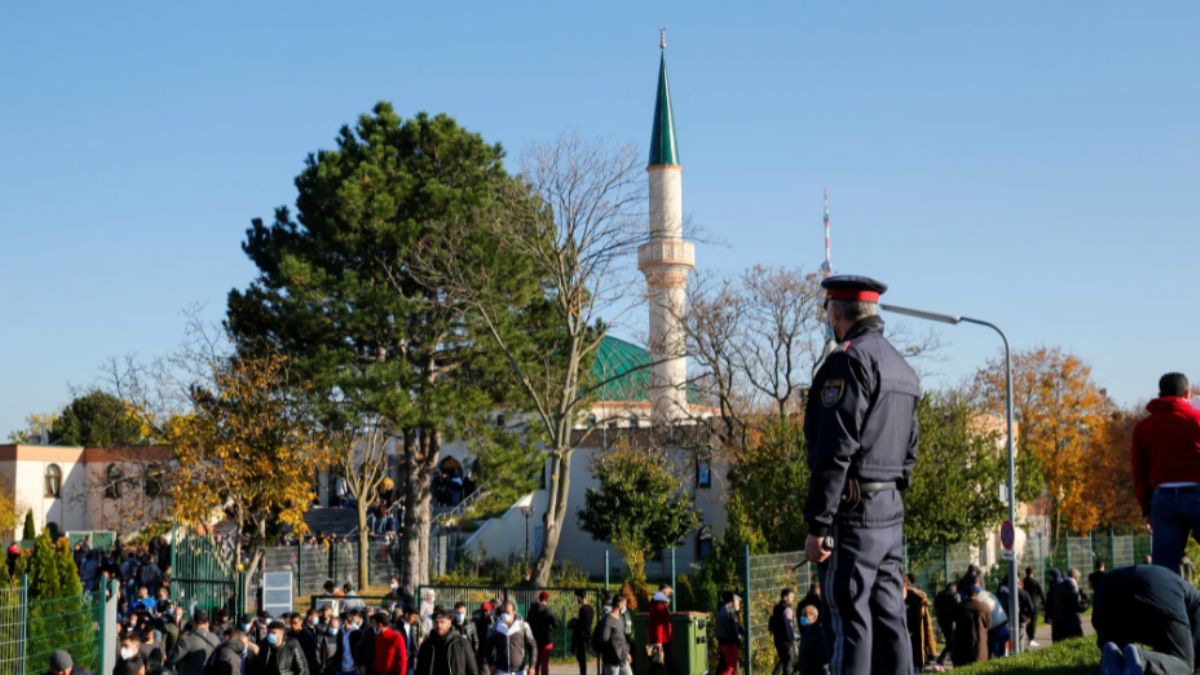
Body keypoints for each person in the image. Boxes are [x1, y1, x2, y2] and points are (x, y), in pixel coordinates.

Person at [802, 275, 920, 675]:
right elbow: (911, 450)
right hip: (889, 510)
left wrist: (819, 522)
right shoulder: (902, 368)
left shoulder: (848, 362)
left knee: (849, 618)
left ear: (836, 311)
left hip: (853, 516)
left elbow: (834, 449)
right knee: (890, 619)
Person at [1132, 372, 1200, 574]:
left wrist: (1146, 509)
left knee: (1164, 568)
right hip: (1196, 493)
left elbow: (1140, 472)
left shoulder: (1144, 428)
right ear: (1187, 393)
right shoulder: (1195, 419)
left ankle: (1165, 604)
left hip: (1163, 498)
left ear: (1159, 394)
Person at [1094, 564, 1200, 675]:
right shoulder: (1196, 603)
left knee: (1116, 650)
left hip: (1106, 591)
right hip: (1158, 590)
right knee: (1184, 665)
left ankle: (1113, 656)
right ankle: (1141, 658)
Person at [415, 607, 479, 675]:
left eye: (442, 622)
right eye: (436, 622)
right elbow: (419, 670)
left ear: (449, 623)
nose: (439, 625)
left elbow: (472, 670)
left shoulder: (461, 643)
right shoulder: (426, 645)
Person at [487, 602, 537, 675]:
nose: (505, 614)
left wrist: (532, 666)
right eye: (503, 612)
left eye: (507, 612)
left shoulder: (523, 626)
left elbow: (533, 646)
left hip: (519, 671)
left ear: (514, 612)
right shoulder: (494, 627)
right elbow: (487, 647)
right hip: (500, 671)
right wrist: (491, 664)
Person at [170, 611, 220, 675]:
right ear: (207, 623)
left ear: (194, 623)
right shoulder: (216, 639)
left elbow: (173, 659)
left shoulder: (187, 640)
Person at [951, 586, 990, 667]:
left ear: (966, 595)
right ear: (977, 595)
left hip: (963, 645)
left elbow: (951, 619)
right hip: (980, 645)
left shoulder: (960, 607)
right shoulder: (985, 607)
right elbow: (988, 624)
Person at [902, 578, 936, 670]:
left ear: (906, 584)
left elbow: (927, 627)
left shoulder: (918, 600)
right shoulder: (887, 600)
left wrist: (932, 652)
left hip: (915, 647)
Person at [1047, 568, 1088, 643]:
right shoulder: (1070, 585)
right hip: (1070, 624)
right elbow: (1076, 605)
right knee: (1077, 644)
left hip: (1057, 624)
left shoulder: (1057, 587)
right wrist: (1085, 605)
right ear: (1076, 577)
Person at [596, 595, 632, 675]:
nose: (625, 606)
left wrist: (626, 653)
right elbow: (604, 638)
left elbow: (623, 638)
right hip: (612, 659)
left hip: (622, 657)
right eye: (624, 603)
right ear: (619, 604)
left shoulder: (621, 618)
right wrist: (615, 649)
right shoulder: (608, 620)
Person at [526, 592, 558, 675]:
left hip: (534, 640)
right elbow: (556, 624)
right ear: (547, 599)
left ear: (539, 598)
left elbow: (528, 623)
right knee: (544, 665)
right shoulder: (548, 611)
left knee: (534, 664)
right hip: (546, 640)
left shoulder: (531, 610)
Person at [768, 588, 797, 675]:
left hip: (778, 638)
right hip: (786, 640)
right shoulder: (787, 609)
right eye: (791, 596)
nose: (792, 599)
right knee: (787, 662)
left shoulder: (777, 607)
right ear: (785, 597)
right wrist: (791, 640)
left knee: (783, 660)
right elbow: (788, 626)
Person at [715, 592, 744, 675]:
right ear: (732, 600)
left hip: (722, 641)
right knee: (731, 667)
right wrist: (737, 639)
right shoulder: (730, 610)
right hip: (729, 643)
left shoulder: (720, 610)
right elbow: (733, 627)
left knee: (725, 665)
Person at [647, 585, 672, 675]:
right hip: (662, 639)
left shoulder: (656, 602)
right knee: (666, 662)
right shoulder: (660, 604)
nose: (668, 596)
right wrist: (659, 641)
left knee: (658, 663)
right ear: (664, 592)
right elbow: (659, 624)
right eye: (668, 593)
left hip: (660, 638)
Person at [797, 605, 828, 675]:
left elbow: (824, 656)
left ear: (814, 617)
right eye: (801, 615)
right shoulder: (806, 632)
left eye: (805, 615)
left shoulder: (819, 633)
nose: (802, 617)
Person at [932, 584, 957, 667]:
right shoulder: (954, 595)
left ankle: (944, 660)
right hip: (952, 622)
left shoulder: (939, 596)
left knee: (950, 642)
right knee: (951, 643)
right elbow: (957, 607)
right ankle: (941, 660)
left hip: (942, 622)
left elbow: (936, 607)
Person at [569, 590, 594, 675]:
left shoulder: (583, 609)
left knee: (581, 660)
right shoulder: (591, 608)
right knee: (582, 659)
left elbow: (583, 625)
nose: (577, 599)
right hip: (587, 634)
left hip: (582, 636)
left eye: (577, 597)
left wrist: (575, 623)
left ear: (580, 597)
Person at [1021, 568, 1044, 647]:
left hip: (1024, 605)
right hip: (1034, 605)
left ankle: (1029, 637)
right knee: (1033, 622)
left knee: (1027, 621)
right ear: (1032, 573)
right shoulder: (1036, 582)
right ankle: (1032, 639)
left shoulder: (1023, 582)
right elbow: (1042, 594)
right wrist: (1044, 604)